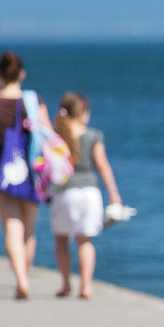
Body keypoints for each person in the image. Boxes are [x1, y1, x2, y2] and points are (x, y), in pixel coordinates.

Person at [0, 51, 51, 300]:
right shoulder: (33, 100)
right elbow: (47, 135)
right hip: (32, 171)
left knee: (11, 228)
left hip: (0, 170)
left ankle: (21, 279)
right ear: (22, 75)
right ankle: (23, 277)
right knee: (29, 230)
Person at [50, 92, 124, 299]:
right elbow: (102, 166)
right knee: (85, 241)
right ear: (82, 111)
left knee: (61, 240)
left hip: (64, 192)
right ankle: (86, 287)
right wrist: (114, 194)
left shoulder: (56, 136)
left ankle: (65, 284)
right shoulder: (93, 135)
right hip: (90, 193)